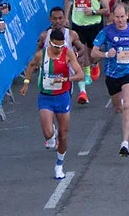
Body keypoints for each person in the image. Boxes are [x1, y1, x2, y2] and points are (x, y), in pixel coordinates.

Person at [20, 28, 84, 179]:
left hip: (62, 97)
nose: (58, 50)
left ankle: (59, 165)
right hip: (46, 97)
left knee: (63, 135)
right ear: (50, 44)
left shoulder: (67, 53)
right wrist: (26, 83)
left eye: (61, 46)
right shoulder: (41, 55)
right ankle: (51, 134)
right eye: (56, 47)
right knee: (48, 134)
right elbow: (30, 66)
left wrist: (66, 79)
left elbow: (80, 74)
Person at [92, 3, 129, 157]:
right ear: (113, 17)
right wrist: (106, 55)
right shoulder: (107, 31)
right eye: (117, 17)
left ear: (127, 16)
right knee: (118, 107)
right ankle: (125, 115)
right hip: (112, 75)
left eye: (122, 17)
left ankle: (125, 143)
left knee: (126, 106)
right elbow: (93, 52)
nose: (119, 20)